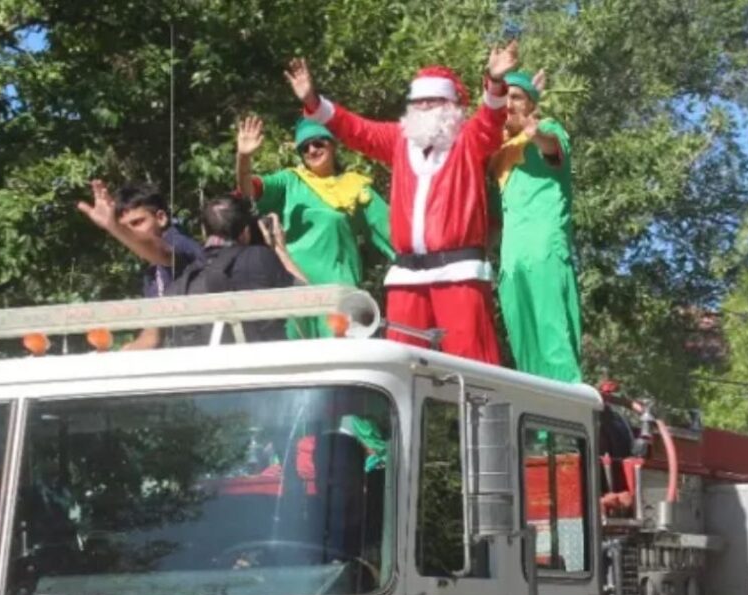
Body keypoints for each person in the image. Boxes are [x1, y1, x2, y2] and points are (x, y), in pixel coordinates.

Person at [283, 43, 519, 363]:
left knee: (473, 365)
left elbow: (491, 122)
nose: (424, 107)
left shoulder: (467, 139)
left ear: (451, 105)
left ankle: (481, 416)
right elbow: (355, 130)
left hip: (459, 272)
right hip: (407, 275)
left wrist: (493, 81)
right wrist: (312, 101)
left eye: (433, 101)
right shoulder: (399, 140)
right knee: (401, 363)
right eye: (419, 101)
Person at [235, 115, 394, 337]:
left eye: (318, 142)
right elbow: (247, 191)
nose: (311, 150)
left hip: (339, 296)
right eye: (304, 147)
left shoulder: (356, 186)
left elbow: (394, 232)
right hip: (297, 293)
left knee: (341, 365)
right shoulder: (290, 181)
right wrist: (244, 157)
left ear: (333, 144)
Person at [489, 70, 582, 382]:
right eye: (506, 97)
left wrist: (536, 132)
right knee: (524, 349)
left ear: (530, 105)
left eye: (518, 97)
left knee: (553, 338)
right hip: (511, 263)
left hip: (543, 253)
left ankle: (570, 415)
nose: (510, 104)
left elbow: (552, 147)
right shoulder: (499, 152)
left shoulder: (545, 130)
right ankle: (539, 430)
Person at [164, 194, 307, 345]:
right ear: (246, 233)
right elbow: (307, 299)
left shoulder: (184, 281)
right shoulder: (260, 257)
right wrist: (279, 249)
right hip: (264, 363)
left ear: (206, 233)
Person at [77, 181, 204, 350]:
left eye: (137, 222)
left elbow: (161, 251)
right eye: (125, 227)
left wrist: (114, 226)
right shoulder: (152, 273)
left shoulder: (177, 244)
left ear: (161, 218)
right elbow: (153, 333)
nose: (132, 233)